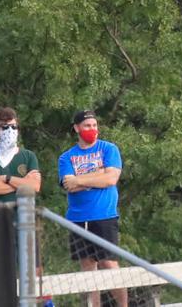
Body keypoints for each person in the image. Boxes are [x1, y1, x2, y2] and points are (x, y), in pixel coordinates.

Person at [58, 110, 127, 306]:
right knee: (88, 269)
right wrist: (98, 174)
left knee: (109, 263)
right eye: (87, 126)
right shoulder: (66, 157)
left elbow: (111, 179)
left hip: (104, 215)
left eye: (95, 125)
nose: (92, 129)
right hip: (78, 218)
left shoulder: (108, 149)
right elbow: (69, 185)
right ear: (77, 128)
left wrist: (80, 180)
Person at [0, 107, 41, 202]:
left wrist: (6, 178)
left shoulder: (29, 156)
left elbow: (35, 186)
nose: (10, 130)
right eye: (5, 127)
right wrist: (23, 184)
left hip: (23, 210)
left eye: (14, 127)